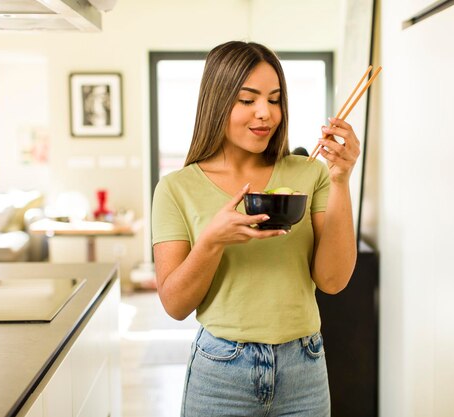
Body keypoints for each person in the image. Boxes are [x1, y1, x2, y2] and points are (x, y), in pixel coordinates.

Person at [152, 40, 360, 417]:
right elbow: (175, 304)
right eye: (247, 100)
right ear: (217, 101)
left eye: (274, 99)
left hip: (304, 367)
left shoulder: (310, 173)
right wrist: (213, 240)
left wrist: (342, 180)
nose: (265, 113)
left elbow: (333, 281)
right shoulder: (176, 188)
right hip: (220, 371)